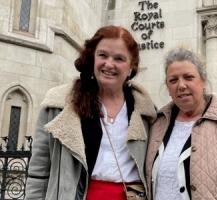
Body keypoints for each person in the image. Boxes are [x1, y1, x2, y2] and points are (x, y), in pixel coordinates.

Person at [25, 25, 157, 200]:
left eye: (119, 58)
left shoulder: (147, 112)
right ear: (92, 58)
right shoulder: (58, 104)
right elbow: (38, 173)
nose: (109, 64)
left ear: (131, 66)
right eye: (102, 55)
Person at [145, 47, 217, 200]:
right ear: (168, 88)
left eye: (188, 77)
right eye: (173, 80)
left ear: (203, 81)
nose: (181, 85)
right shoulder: (158, 123)